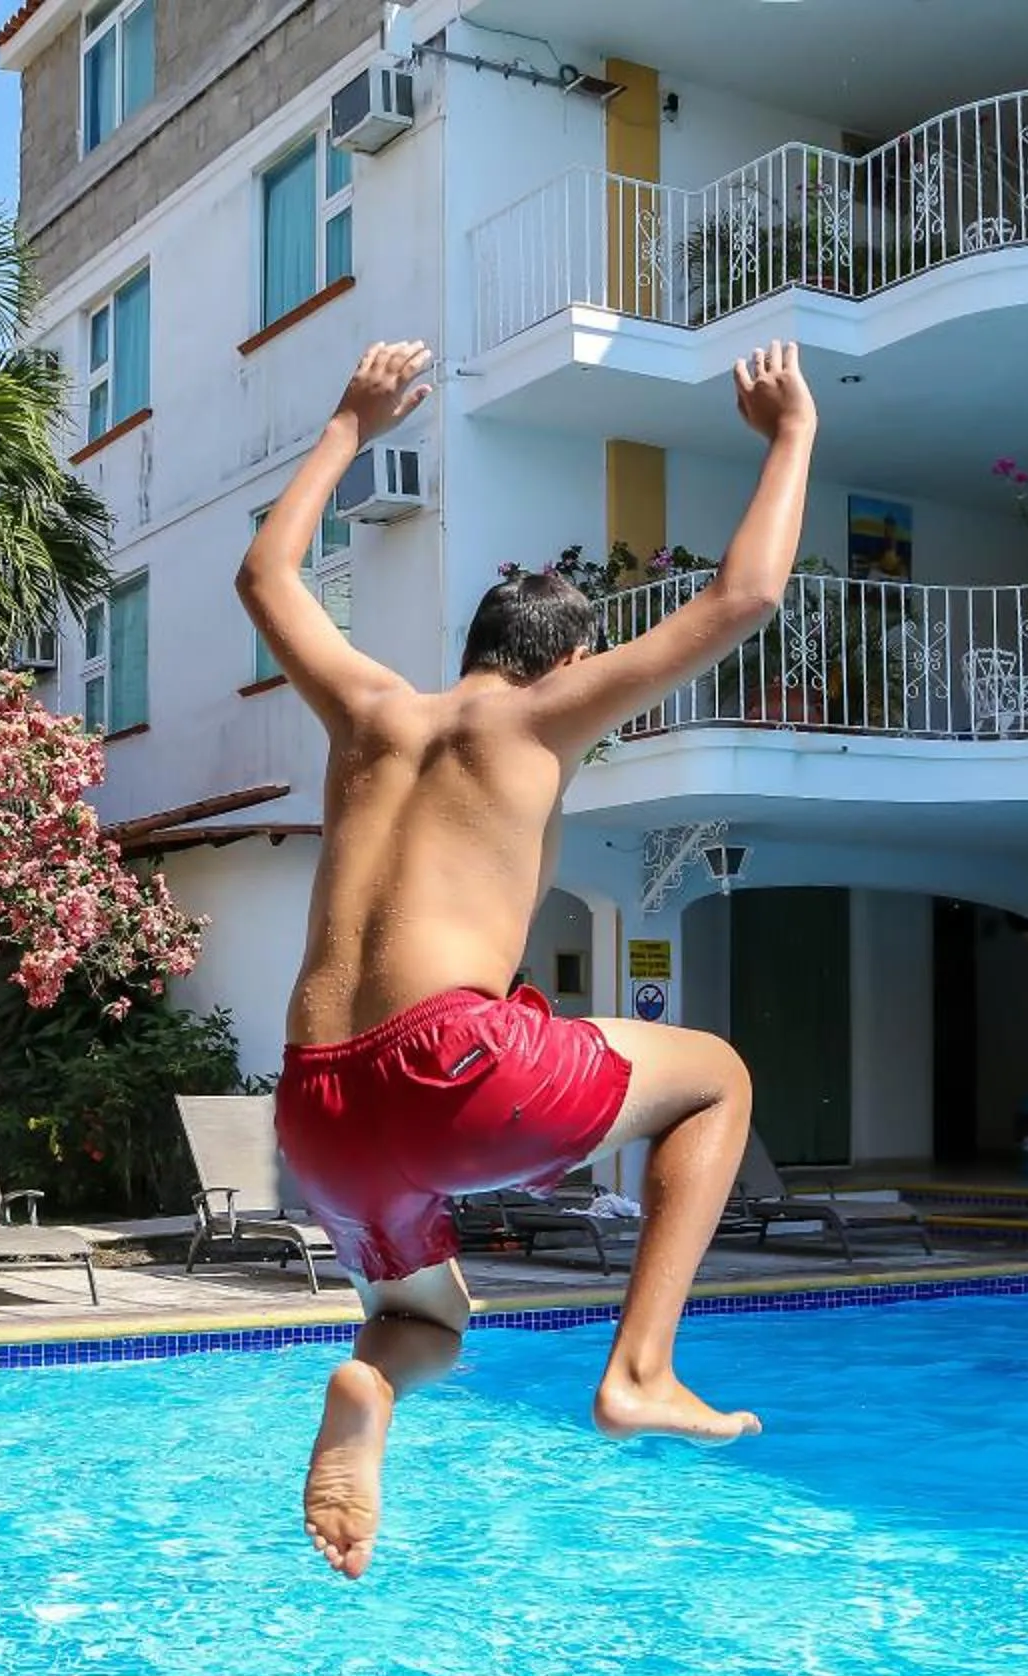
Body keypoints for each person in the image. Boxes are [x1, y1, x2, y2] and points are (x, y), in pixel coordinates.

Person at [238, 337, 820, 1579]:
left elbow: (265, 575)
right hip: (448, 1062)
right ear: (565, 663)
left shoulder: (370, 707)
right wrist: (791, 434)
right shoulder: (542, 708)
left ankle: (368, 1393)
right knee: (716, 1072)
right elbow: (744, 598)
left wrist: (351, 417)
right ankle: (644, 1372)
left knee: (419, 1319)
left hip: (315, 1098)